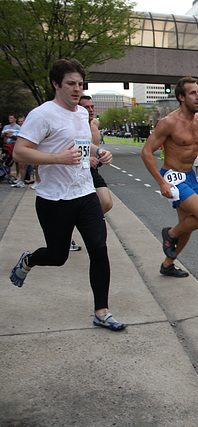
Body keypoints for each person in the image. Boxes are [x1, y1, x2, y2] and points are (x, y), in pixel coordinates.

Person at [9, 58, 126, 331]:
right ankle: (30, 259)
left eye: (80, 84)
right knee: (57, 255)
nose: (76, 89)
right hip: (54, 198)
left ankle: (102, 311)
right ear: (56, 84)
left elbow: (85, 147)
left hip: (85, 193)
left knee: (99, 249)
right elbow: (20, 152)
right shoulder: (42, 114)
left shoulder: (80, 115)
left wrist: (100, 153)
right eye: (70, 84)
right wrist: (58, 158)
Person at [141, 77, 198, 278]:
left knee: (187, 225)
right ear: (181, 97)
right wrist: (161, 183)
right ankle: (169, 234)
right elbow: (146, 152)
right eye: (193, 93)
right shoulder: (169, 122)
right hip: (172, 177)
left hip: (189, 176)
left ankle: (168, 264)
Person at [79, 95, 113, 215]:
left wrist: (103, 155)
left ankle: (89, 221)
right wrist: (87, 159)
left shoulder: (95, 123)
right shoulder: (74, 126)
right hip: (76, 170)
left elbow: (93, 147)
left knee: (106, 202)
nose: (91, 110)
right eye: (86, 107)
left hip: (92, 170)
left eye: (92, 106)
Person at [2, 114, 25, 187]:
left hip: (15, 144)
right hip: (7, 145)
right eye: (9, 118)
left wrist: (13, 136)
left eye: (11, 118)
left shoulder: (17, 127)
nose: (9, 119)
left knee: (16, 160)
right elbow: (2, 136)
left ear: (15, 119)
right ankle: (9, 173)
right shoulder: (6, 127)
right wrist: (5, 133)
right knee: (8, 158)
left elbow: (20, 136)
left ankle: (18, 174)